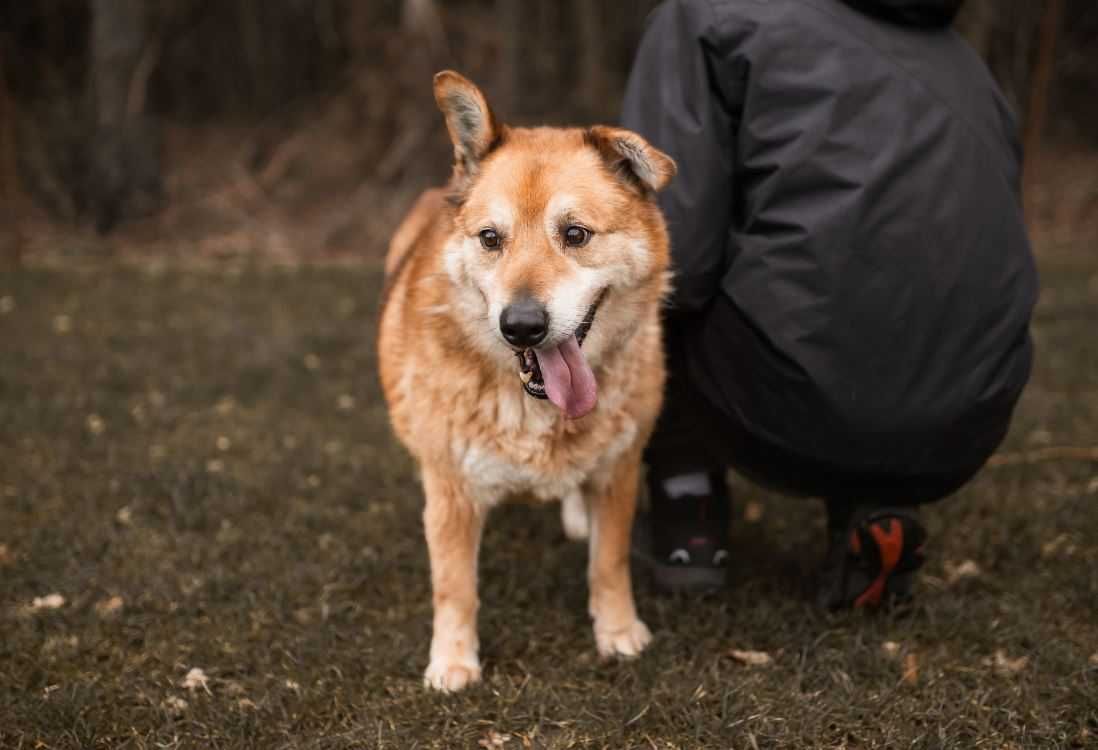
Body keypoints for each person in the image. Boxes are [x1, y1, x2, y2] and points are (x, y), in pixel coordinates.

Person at [621, 0, 1038, 607]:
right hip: (972, 408)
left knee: (650, 279)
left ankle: (689, 523)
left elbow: (676, 245)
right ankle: (877, 508)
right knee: (857, 285)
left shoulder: (704, 16)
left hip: (798, 397)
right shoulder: (966, 62)